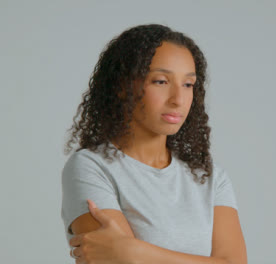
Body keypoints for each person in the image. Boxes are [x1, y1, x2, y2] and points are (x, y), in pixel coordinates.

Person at [61, 24, 247, 264]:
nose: (178, 99)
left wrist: (136, 253)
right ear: (122, 86)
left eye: (188, 84)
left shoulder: (210, 177)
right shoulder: (90, 167)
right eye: (160, 81)